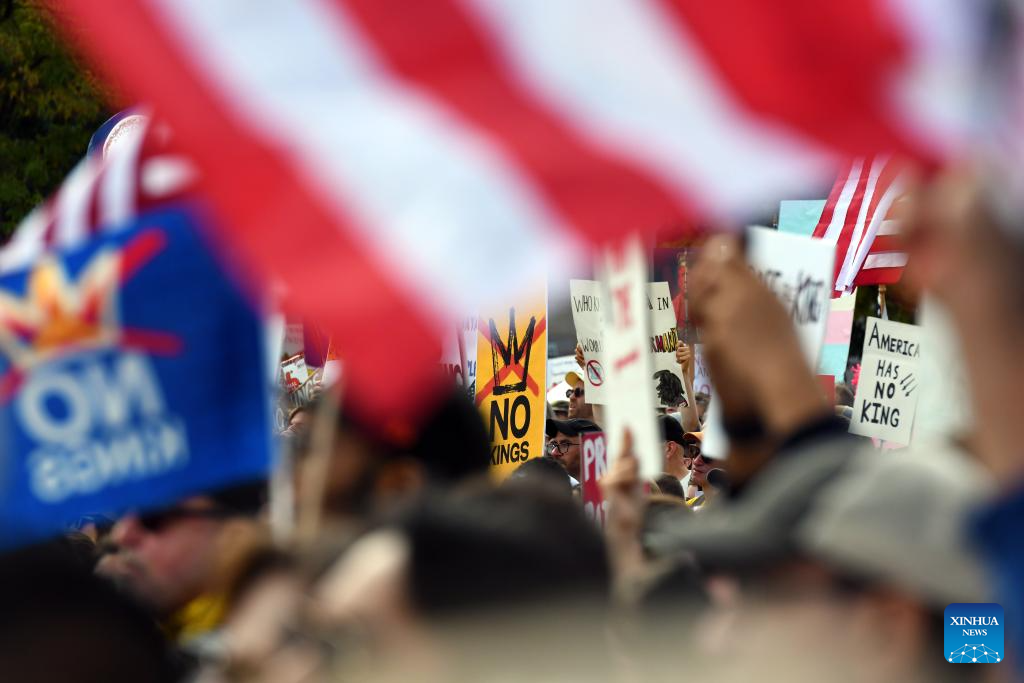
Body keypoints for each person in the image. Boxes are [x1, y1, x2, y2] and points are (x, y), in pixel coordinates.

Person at [96, 480, 268, 646]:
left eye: (152, 514)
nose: (121, 534)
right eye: (122, 510)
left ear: (235, 534)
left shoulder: (263, 650)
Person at [545, 417, 601, 482]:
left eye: (565, 444)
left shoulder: (607, 487)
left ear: (589, 449)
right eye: (553, 445)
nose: (554, 452)